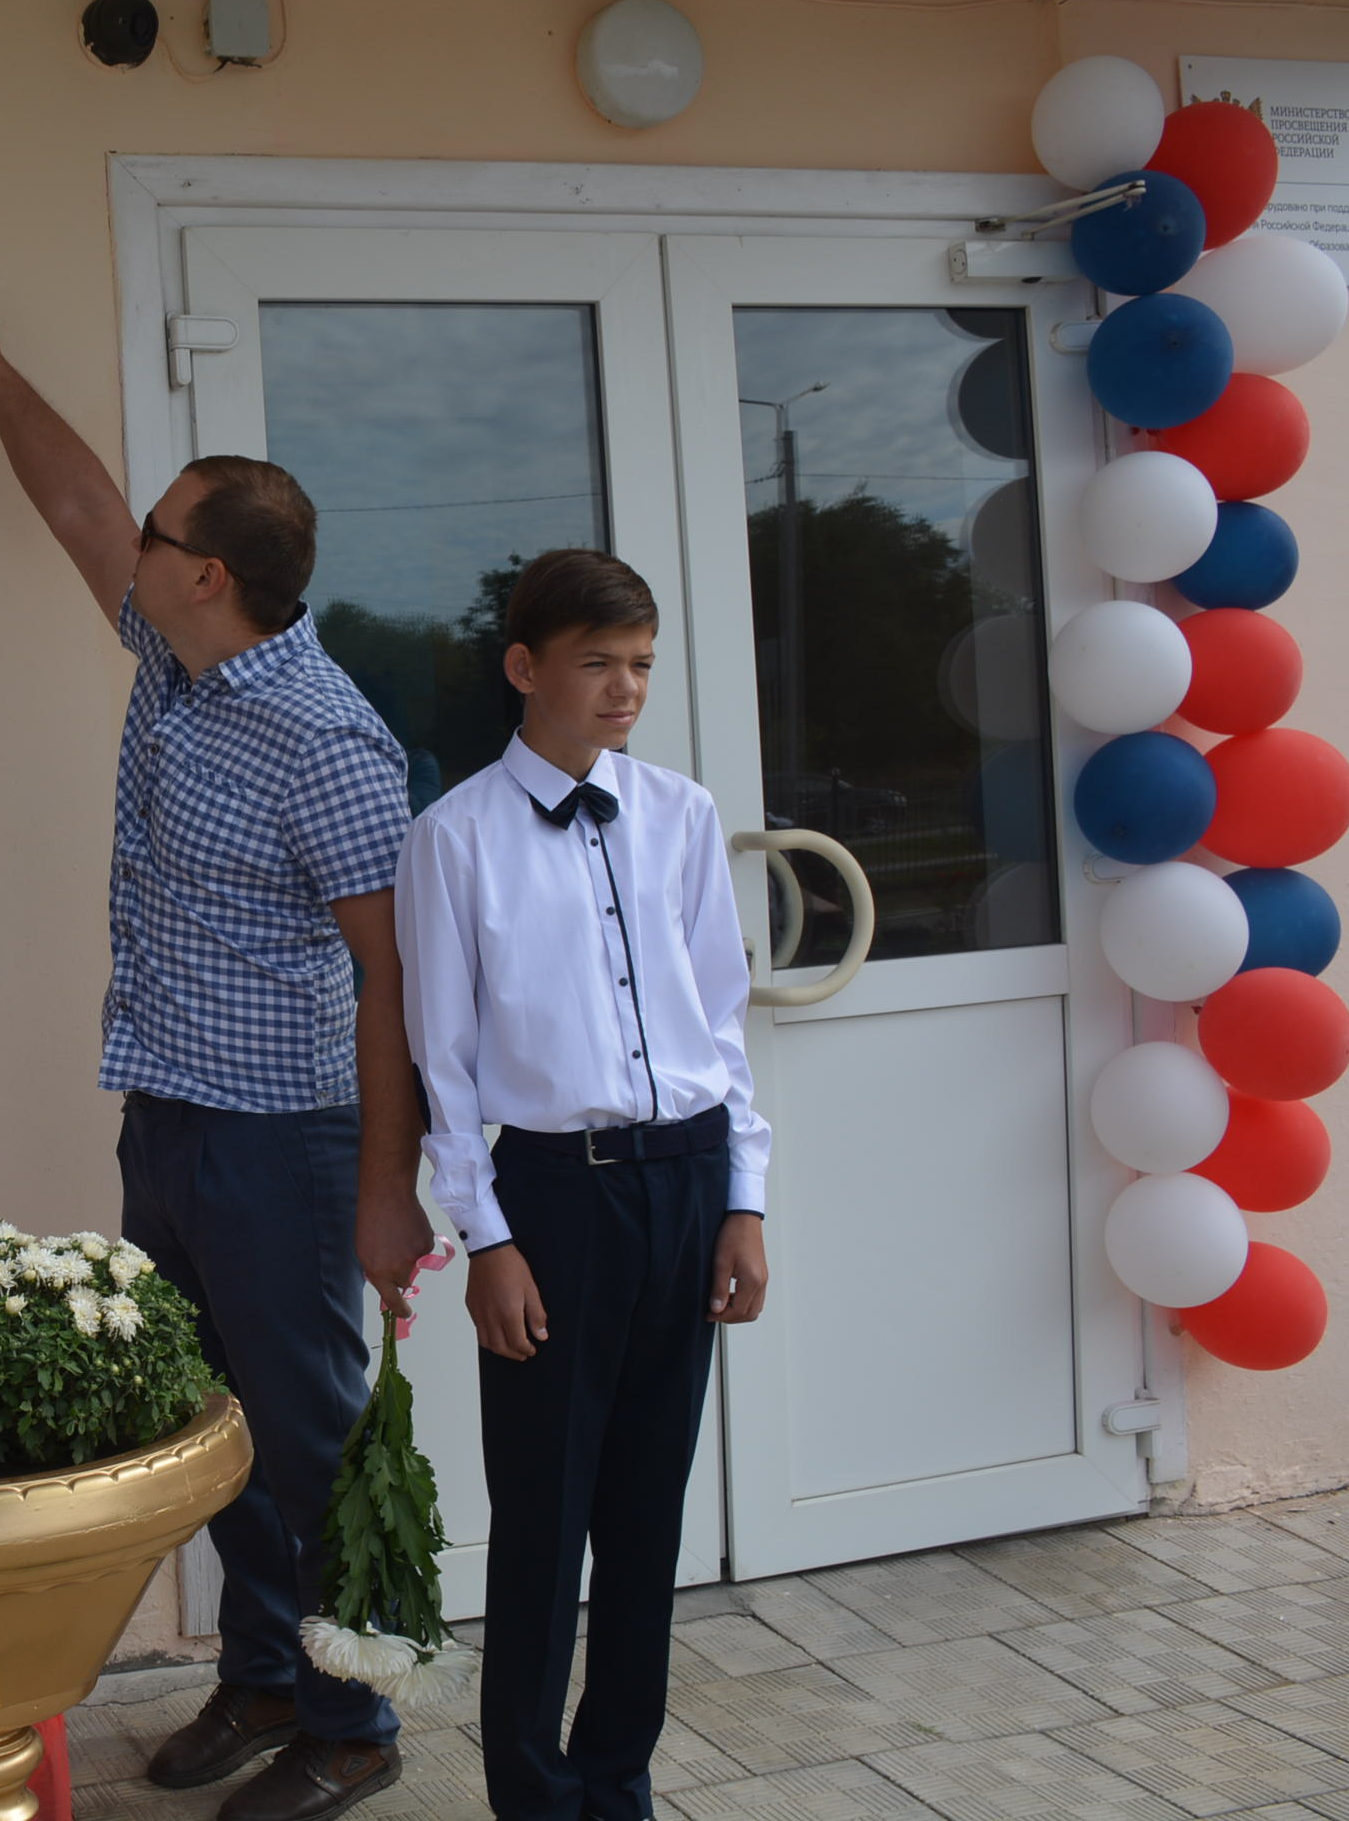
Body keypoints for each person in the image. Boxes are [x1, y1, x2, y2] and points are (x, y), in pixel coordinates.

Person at [0, 289, 431, 1821]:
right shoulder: (174, 653)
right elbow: (82, 508)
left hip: (288, 1140)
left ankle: (355, 1723)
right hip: (172, 1113)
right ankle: (264, 1680)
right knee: (210, 1428)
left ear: (209, 573)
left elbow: (397, 977)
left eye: (161, 531)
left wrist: (388, 1188)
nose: (130, 542)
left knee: (312, 1439)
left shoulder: (326, 739)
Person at [394, 548, 772, 1821]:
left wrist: (743, 1197)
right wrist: (485, 1235)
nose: (625, 688)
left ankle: (617, 1784)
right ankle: (535, 1795)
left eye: (642, 664)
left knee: (648, 1515)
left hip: (687, 1179)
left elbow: (720, 1022)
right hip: (555, 1198)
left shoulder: (680, 813)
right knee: (546, 1520)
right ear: (524, 666)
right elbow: (444, 1061)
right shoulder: (452, 838)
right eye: (598, 662)